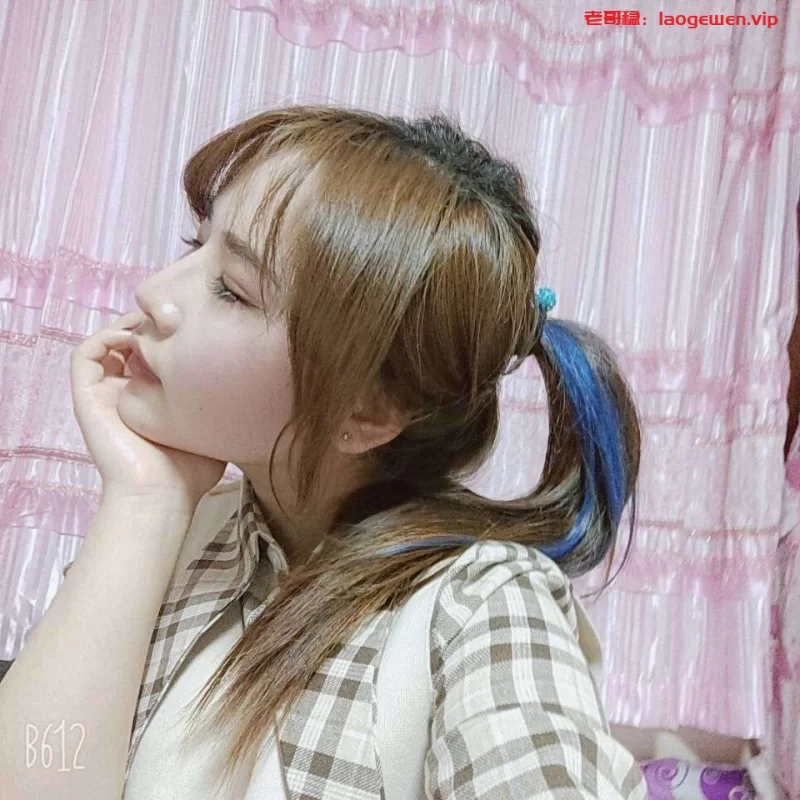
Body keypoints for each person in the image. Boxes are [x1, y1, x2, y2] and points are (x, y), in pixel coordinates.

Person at [0, 105, 647, 799]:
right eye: (196, 244)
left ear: (365, 411)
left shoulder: (483, 605)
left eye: (232, 290)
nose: (153, 293)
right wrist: (144, 501)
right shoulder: (178, 535)